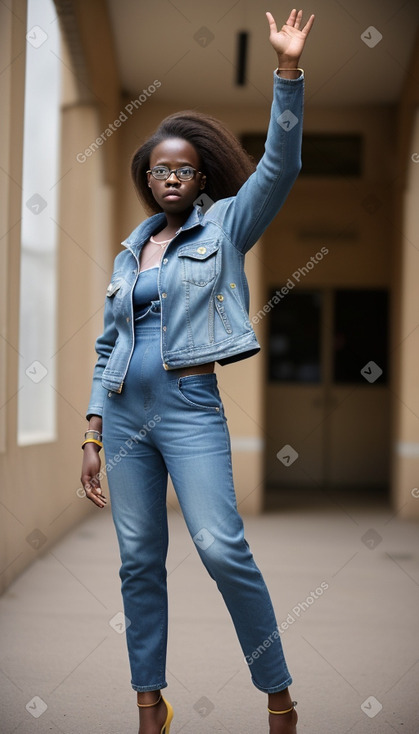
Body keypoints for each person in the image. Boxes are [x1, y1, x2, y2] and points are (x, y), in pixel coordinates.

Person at [81, 8, 314, 733]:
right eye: (159, 168)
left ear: (202, 174)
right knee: (137, 560)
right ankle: (150, 705)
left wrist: (287, 73)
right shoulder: (131, 251)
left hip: (188, 406)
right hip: (122, 414)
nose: (171, 177)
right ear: (147, 178)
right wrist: (92, 429)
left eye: (184, 167)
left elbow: (280, 164)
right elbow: (106, 343)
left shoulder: (226, 228)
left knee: (219, 546)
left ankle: (277, 694)